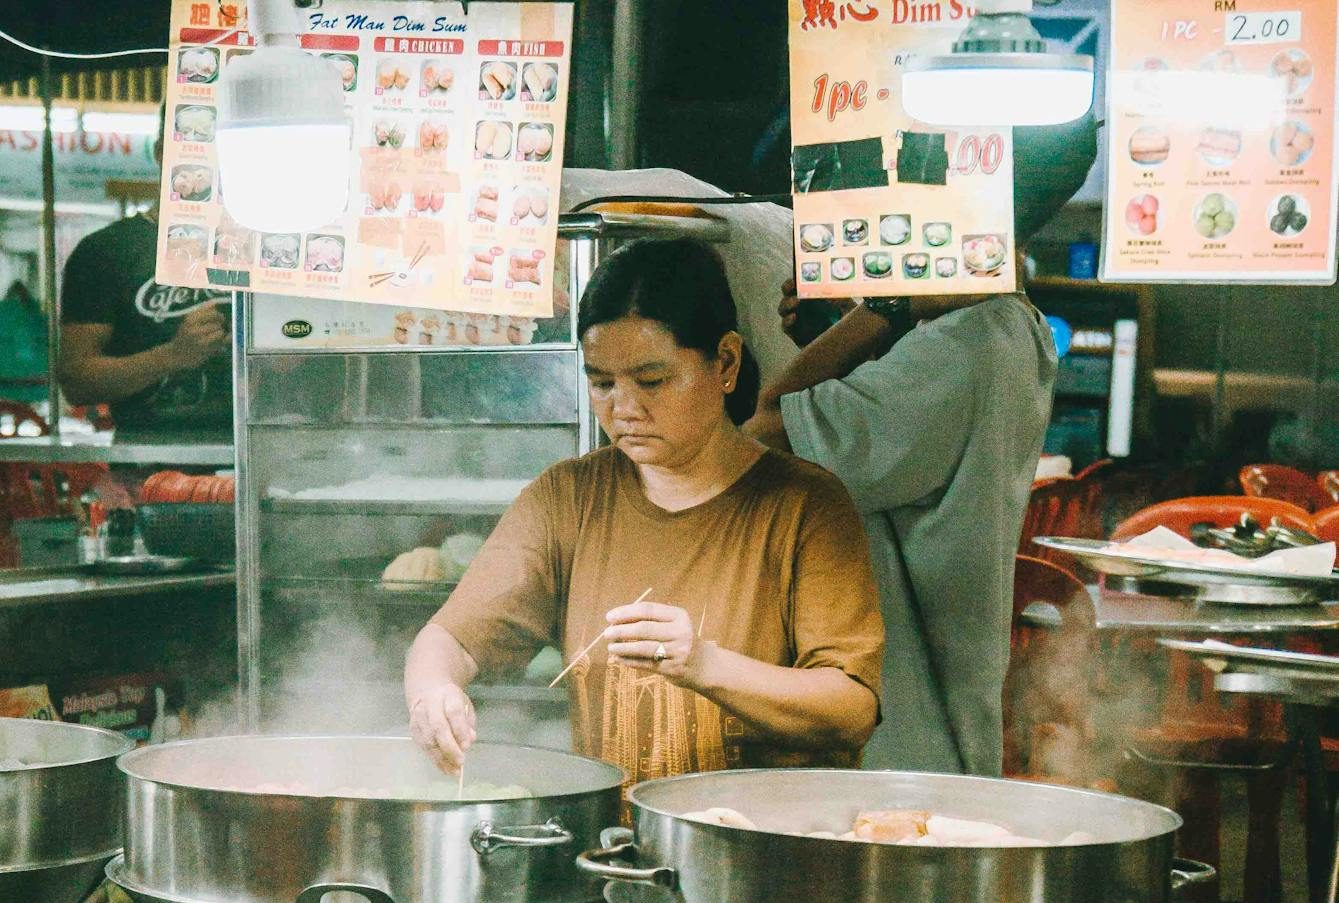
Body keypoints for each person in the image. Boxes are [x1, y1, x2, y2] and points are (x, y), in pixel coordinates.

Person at [404, 238, 884, 783]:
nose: (624, 408)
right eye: (602, 382)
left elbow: (851, 708)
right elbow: (451, 640)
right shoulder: (570, 498)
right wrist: (433, 691)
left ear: (724, 363)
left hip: (756, 848)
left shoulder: (805, 506)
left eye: (651, 381)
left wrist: (703, 664)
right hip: (613, 847)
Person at [744, 118, 1099, 776]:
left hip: (905, 728)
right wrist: (857, 330)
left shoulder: (955, 348)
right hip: (931, 709)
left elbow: (766, 428)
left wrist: (886, 302)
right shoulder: (1012, 326)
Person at [58, 106, 232, 441]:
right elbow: (76, 380)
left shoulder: (269, 250)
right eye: (198, 145)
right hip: (149, 465)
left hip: (258, 463)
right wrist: (172, 356)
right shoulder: (105, 252)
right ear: (161, 152)